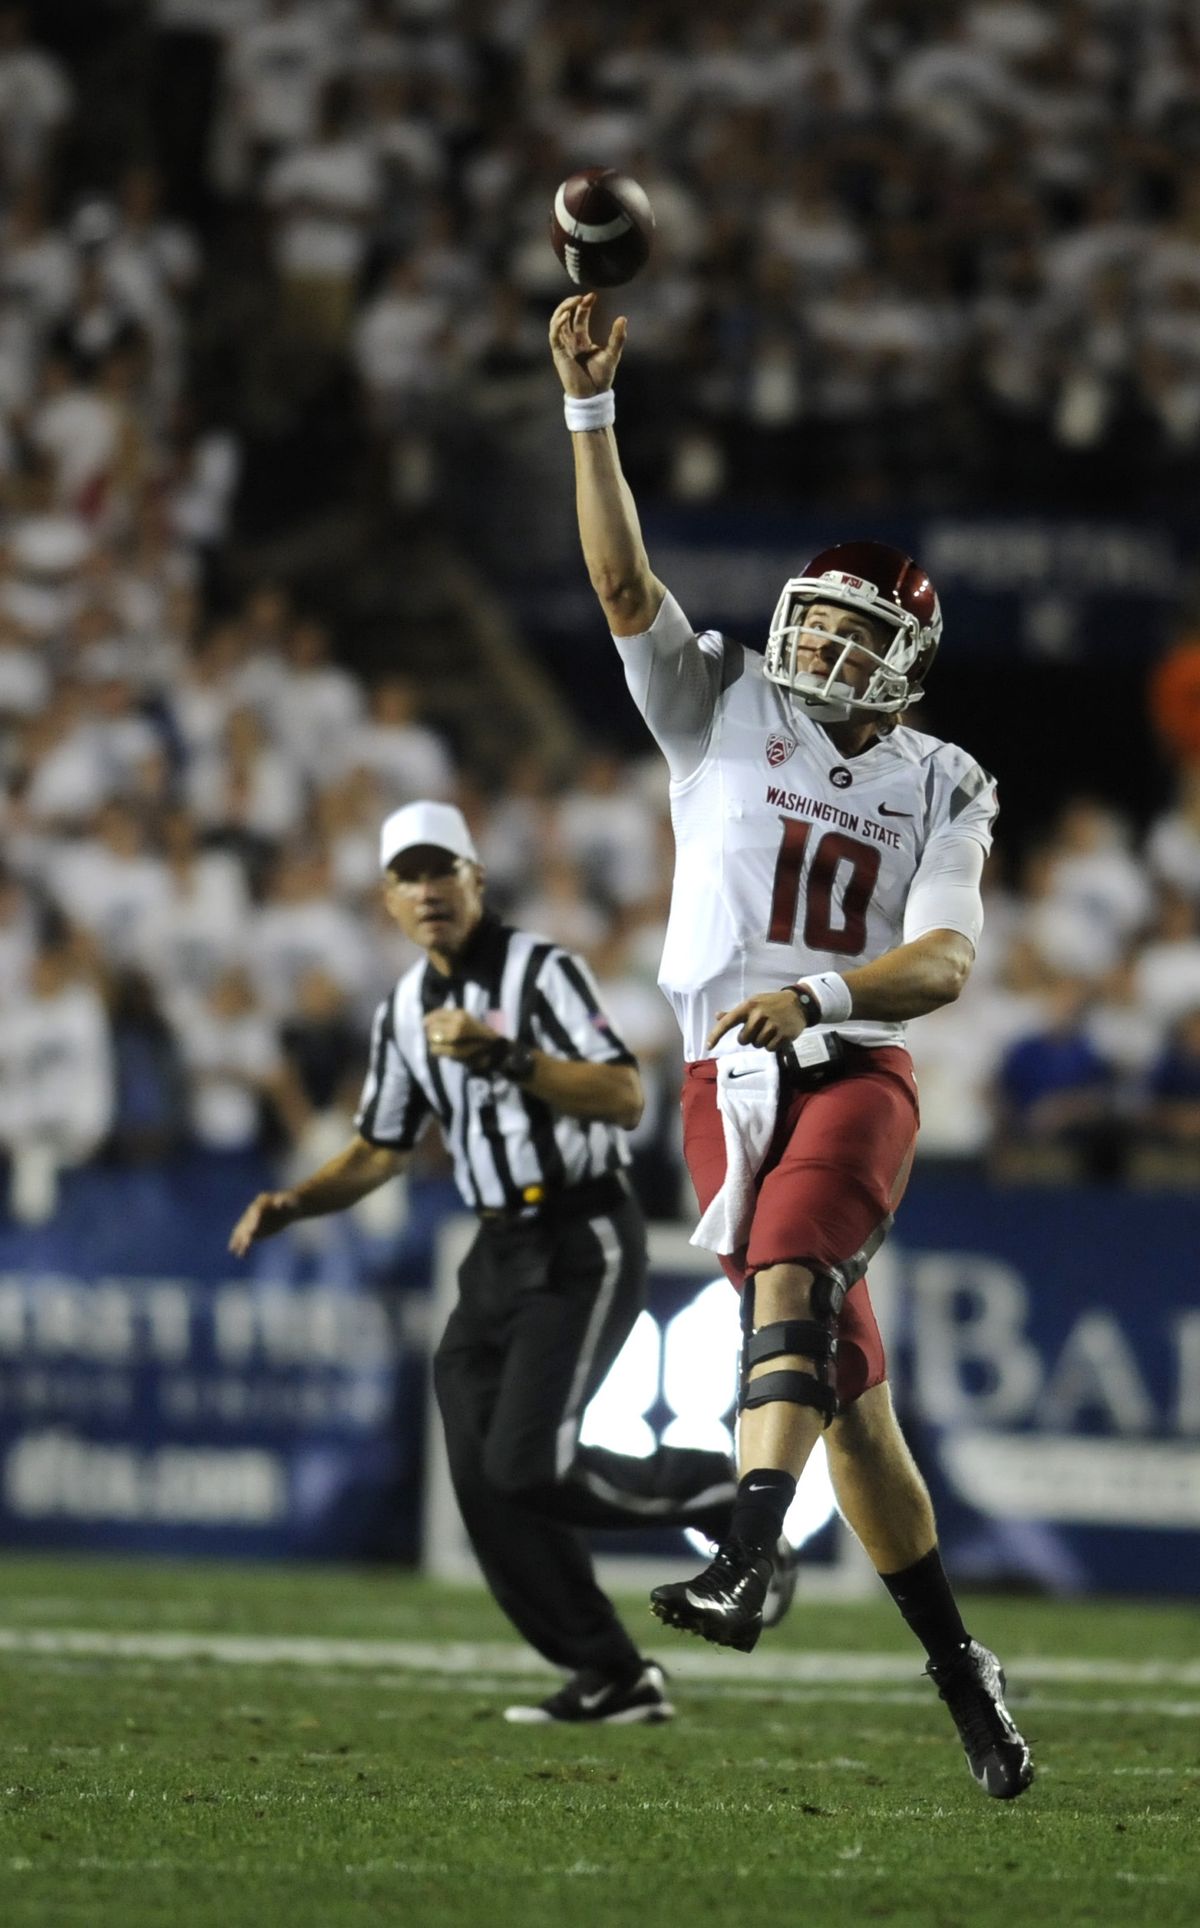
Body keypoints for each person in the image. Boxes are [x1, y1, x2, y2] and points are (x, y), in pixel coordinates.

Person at [547, 290, 1034, 1800]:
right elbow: (626, 582)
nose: (820, 638)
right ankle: (962, 1670)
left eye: (853, 627)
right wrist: (590, 413)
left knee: (796, 1261)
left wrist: (823, 999)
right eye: (812, 614)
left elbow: (945, 959)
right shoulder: (720, 711)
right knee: (858, 1411)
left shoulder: (947, 778)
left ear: (906, 656)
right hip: (720, 1076)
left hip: (850, 1066)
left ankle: (751, 1554)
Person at [230, 798, 780, 1725]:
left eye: (441, 869)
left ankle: (721, 1496)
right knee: (488, 1485)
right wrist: (299, 1200)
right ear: (388, 898)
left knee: (528, 1466)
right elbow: (378, 1149)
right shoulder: (404, 1008)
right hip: (495, 1250)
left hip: (582, 1234)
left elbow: (622, 1094)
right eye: (407, 876)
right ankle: (611, 1672)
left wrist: (509, 1058)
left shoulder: (540, 972)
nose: (427, 890)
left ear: (476, 878)